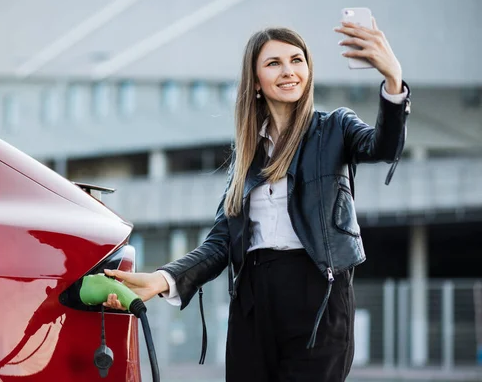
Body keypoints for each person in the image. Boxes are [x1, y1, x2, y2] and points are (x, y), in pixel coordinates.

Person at [103, 19, 411, 382]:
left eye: (297, 60)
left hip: (318, 299)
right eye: (274, 63)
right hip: (252, 302)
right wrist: (164, 278)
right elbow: (221, 242)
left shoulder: (334, 128)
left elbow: (383, 147)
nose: (289, 71)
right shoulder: (248, 154)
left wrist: (393, 82)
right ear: (255, 82)